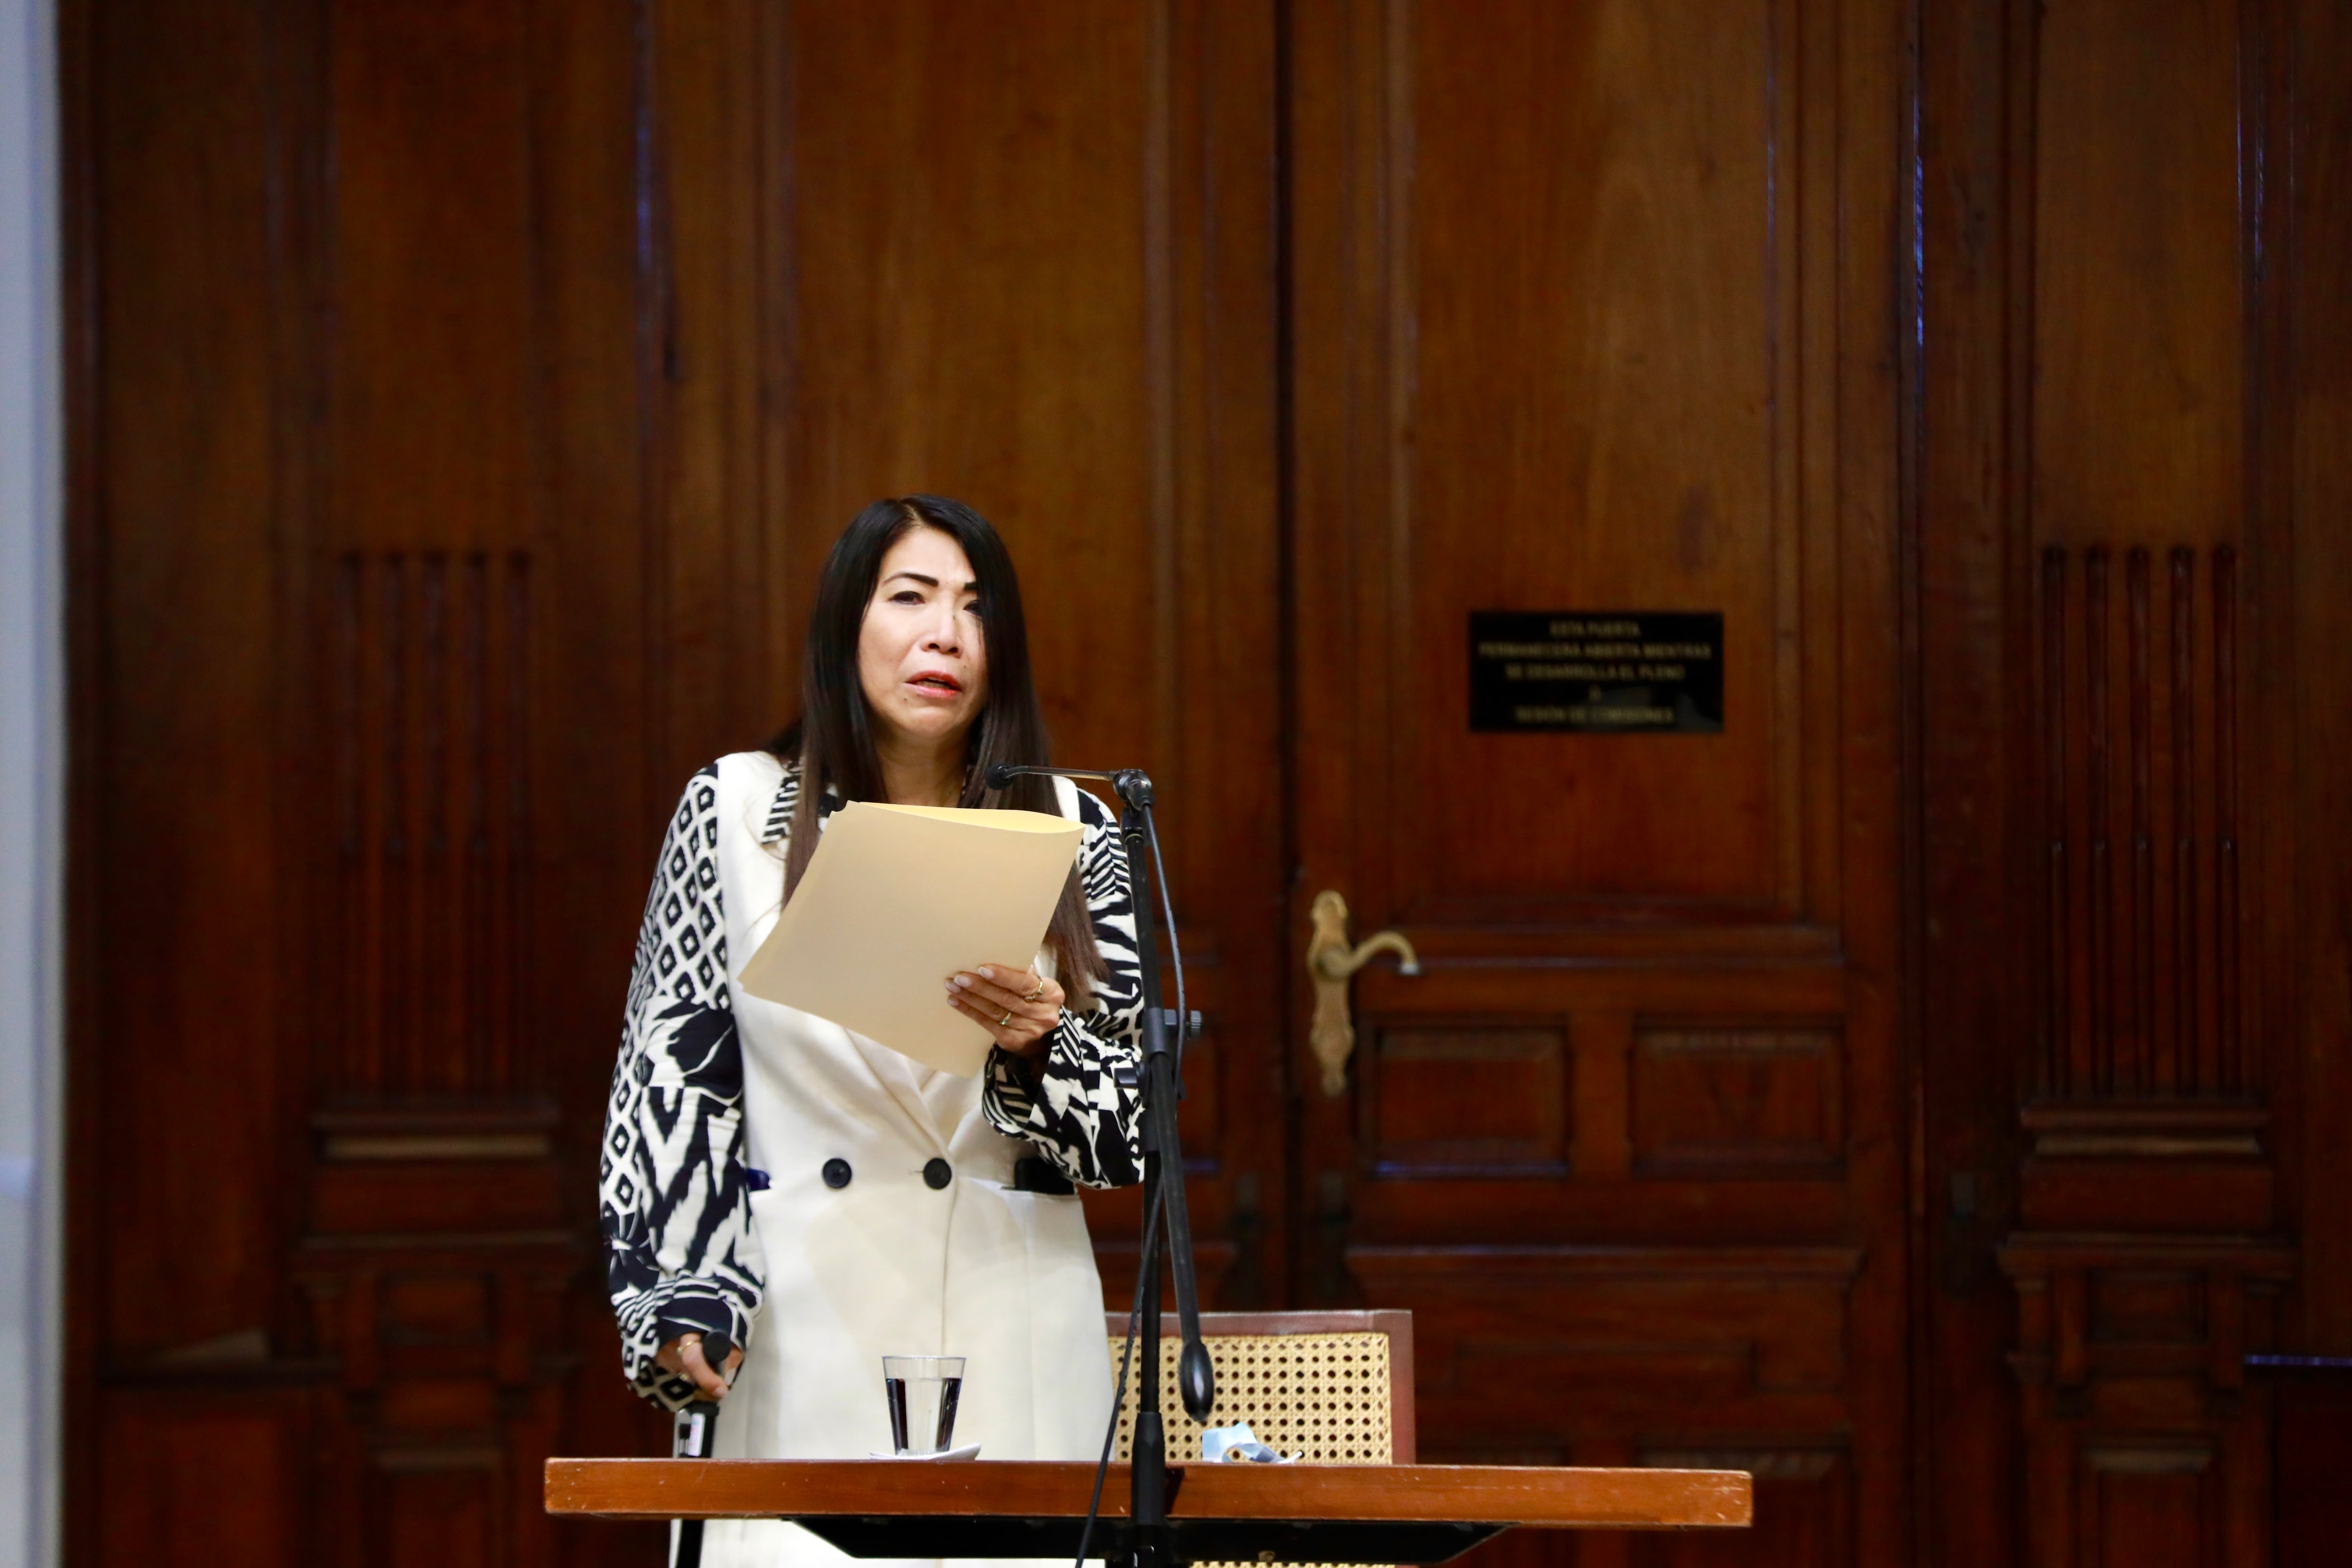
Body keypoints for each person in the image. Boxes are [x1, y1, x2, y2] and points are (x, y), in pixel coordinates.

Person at [599, 495, 1146, 1567]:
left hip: (1017, 1322)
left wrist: (1046, 1048)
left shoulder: (1083, 828)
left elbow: (1130, 1137)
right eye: (910, 597)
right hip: (803, 1325)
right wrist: (676, 1292)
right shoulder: (732, 811)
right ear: (847, 622)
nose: (945, 631)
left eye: (976, 608)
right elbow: (665, 1086)